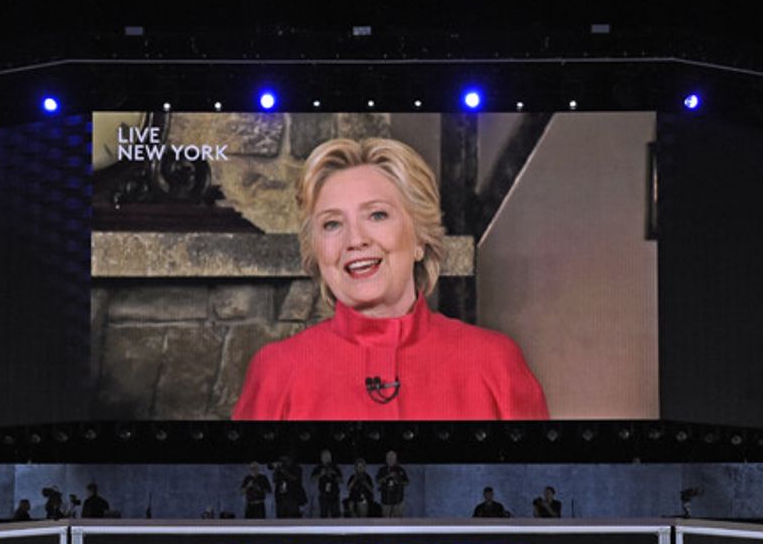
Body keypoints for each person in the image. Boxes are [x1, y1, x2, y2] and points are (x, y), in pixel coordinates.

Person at [231, 137, 547, 421]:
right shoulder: (276, 371)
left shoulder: (495, 363)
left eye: (377, 215)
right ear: (315, 250)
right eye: (331, 224)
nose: (355, 240)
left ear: (420, 239)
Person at [376, 450, 408, 519]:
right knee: (385, 522)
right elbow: (378, 481)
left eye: (392, 457)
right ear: (386, 459)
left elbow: (406, 482)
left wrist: (398, 480)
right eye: (389, 457)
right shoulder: (382, 470)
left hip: (398, 500)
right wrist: (388, 476)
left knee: (398, 522)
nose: (391, 459)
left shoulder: (401, 470)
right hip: (386, 500)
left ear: (395, 458)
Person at [312, 449, 343, 519]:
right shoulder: (318, 468)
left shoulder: (335, 467)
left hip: (334, 494)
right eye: (324, 457)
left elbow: (341, 481)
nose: (326, 458)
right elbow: (313, 479)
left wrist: (333, 474)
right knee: (324, 514)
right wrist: (321, 474)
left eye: (327, 457)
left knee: (336, 515)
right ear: (321, 458)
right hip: (323, 494)